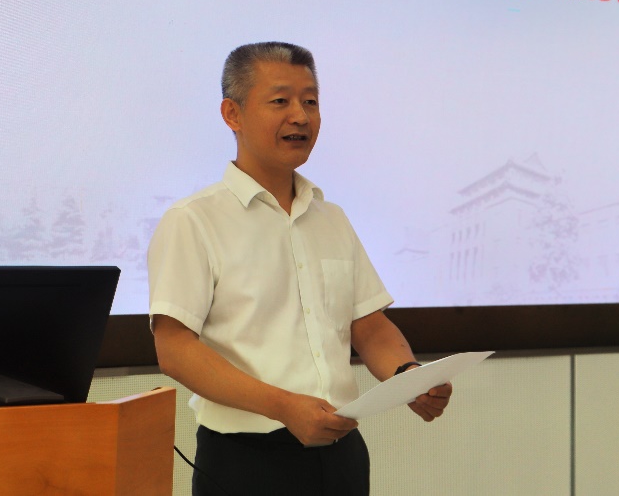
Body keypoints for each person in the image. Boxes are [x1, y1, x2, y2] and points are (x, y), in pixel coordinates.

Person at [147, 42, 452, 496]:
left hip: (342, 456)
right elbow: (174, 348)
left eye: (310, 101)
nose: (300, 116)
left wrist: (407, 376)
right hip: (246, 461)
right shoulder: (193, 220)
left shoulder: (331, 218)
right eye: (280, 101)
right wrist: (283, 406)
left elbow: (368, 325)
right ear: (232, 114)